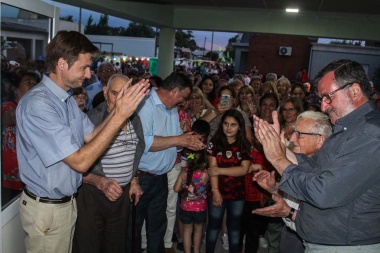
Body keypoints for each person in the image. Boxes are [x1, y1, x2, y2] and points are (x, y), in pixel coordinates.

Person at [16, 30, 150, 253]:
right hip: (47, 209)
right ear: (61, 63)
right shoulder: (40, 105)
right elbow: (80, 162)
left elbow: (92, 135)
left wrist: (119, 110)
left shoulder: (65, 100)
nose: (89, 75)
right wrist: (119, 115)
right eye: (83, 67)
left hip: (65, 205)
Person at [253, 59, 380, 253]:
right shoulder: (348, 129)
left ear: (354, 91)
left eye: (328, 97)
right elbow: (313, 168)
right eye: (321, 99)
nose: (323, 106)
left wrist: (278, 159)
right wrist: (278, 147)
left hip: (346, 247)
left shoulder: (370, 134)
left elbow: (323, 192)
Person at [126, 72, 205, 253]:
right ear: (174, 91)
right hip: (141, 178)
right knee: (134, 229)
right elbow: (143, 142)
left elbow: (173, 143)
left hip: (161, 178)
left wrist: (186, 140)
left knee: (157, 227)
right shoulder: (145, 105)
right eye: (183, 97)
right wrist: (178, 139)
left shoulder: (170, 109)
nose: (183, 102)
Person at [72, 74, 144, 252]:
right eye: (114, 93)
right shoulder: (92, 119)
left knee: (115, 246)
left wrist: (134, 180)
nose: (120, 99)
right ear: (105, 92)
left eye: (125, 93)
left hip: (121, 195)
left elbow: (135, 152)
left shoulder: (134, 119)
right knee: (89, 246)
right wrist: (100, 182)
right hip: (93, 195)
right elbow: (74, 163)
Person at [253, 111, 332, 253]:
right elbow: (296, 194)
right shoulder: (298, 162)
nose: (292, 138)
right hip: (290, 233)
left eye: (299, 134)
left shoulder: (328, 171)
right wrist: (274, 188)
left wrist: (289, 213)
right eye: (293, 132)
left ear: (320, 140)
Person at [206, 109, 252, 253]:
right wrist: (215, 191)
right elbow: (212, 168)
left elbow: (244, 169)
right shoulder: (214, 142)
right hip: (217, 189)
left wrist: (221, 170)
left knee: (234, 229)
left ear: (240, 127)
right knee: (213, 227)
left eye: (233, 125)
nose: (229, 128)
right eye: (226, 124)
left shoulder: (244, 143)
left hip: (237, 193)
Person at [2, 69, 39, 205]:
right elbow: (11, 117)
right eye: (28, 82)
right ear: (15, 89)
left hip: (28, 179)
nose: (33, 85)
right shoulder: (7, 107)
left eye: (35, 83)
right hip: (7, 181)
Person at [174, 145, 209, 253]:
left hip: (186, 208)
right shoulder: (205, 174)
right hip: (200, 209)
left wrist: (184, 187)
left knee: (187, 231)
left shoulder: (183, 173)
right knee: (198, 230)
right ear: (203, 162)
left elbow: (175, 189)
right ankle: (197, 251)